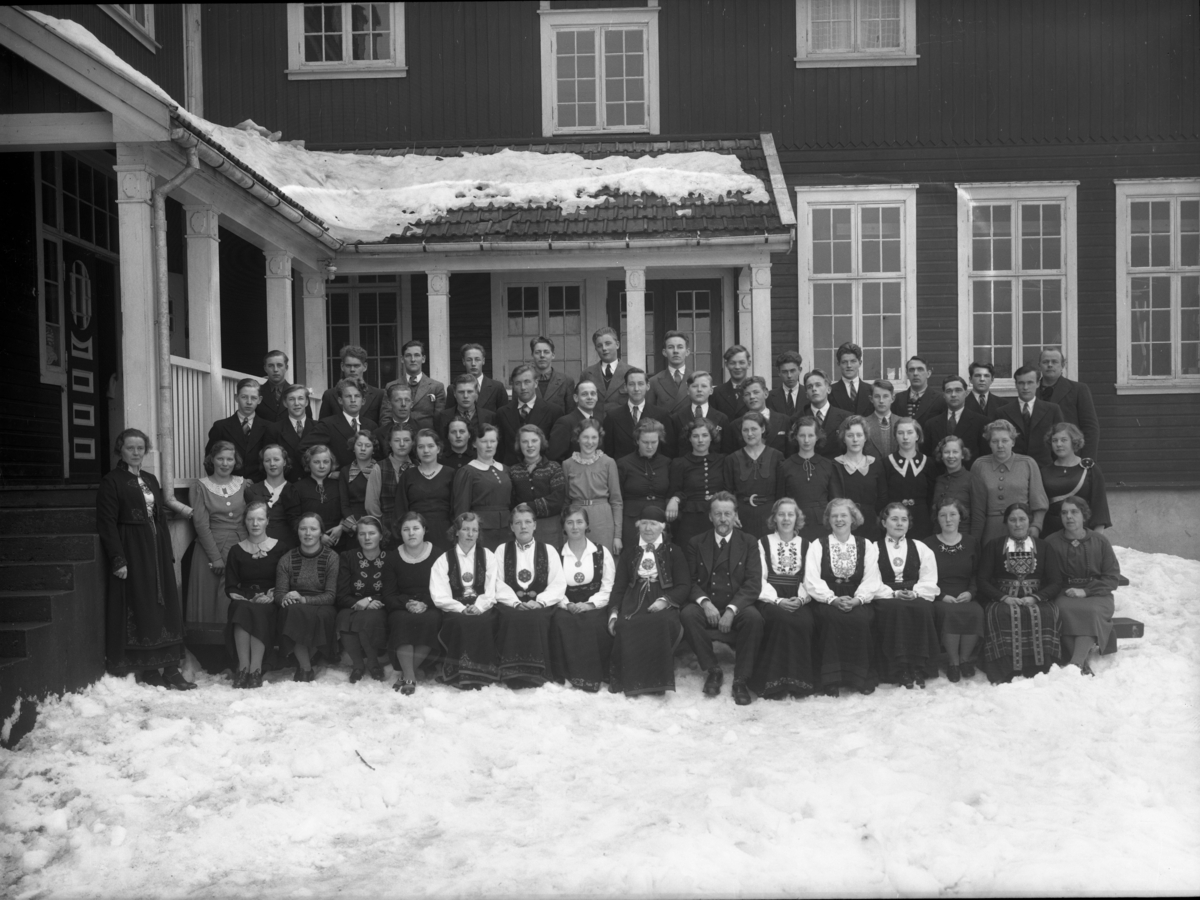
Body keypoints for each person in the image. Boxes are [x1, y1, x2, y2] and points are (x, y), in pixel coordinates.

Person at [97, 429, 194, 688]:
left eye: (141, 448)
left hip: (156, 549)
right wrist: (118, 558)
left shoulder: (151, 478)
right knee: (142, 605)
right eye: (131, 448)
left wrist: (167, 552)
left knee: (164, 605)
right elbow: (107, 523)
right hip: (132, 548)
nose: (137, 452)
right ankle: (149, 669)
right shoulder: (112, 481)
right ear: (121, 449)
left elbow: (159, 518)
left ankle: (171, 669)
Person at [681, 493, 764, 705]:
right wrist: (705, 603)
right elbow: (689, 581)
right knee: (688, 614)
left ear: (735, 515)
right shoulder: (696, 542)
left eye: (728, 513)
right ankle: (713, 670)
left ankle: (741, 679)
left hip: (737, 604)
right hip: (708, 603)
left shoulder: (749, 542)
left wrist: (732, 609)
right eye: (718, 514)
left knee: (754, 618)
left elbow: (753, 582)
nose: (723, 518)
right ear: (710, 516)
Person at [607, 506, 691, 696]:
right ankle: (630, 681)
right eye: (644, 523)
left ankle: (655, 682)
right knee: (627, 623)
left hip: (662, 597)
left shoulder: (674, 551)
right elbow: (619, 586)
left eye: (653, 524)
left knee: (659, 622)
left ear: (662, 527)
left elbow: (684, 585)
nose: (648, 528)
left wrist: (665, 601)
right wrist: (613, 612)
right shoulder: (630, 552)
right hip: (633, 598)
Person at [804, 498, 884, 696]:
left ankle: (860, 677)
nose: (839, 520)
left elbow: (872, 577)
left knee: (860, 618)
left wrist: (858, 599)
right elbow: (811, 579)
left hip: (857, 597)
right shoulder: (818, 545)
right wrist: (832, 599)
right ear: (828, 520)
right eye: (834, 516)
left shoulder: (866, 545)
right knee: (832, 619)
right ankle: (831, 679)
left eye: (843, 515)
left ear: (853, 518)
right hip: (827, 597)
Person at [978, 502, 1064, 684]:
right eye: (1013, 520)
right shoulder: (994, 546)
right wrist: (1004, 598)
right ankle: (1005, 669)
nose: (1017, 524)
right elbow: (982, 580)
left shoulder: (1043, 547)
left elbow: (1056, 581)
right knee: (1000, 613)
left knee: (1046, 612)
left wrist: (1035, 597)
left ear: (1029, 521)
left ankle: (1040, 667)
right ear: (1006, 522)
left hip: (1035, 597)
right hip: (1003, 598)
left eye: (1022, 519)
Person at [747, 498, 816, 699]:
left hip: (799, 595)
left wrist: (801, 600)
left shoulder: (807, 544)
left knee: (804, 621)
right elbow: (758, 578)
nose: (786, 519)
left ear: (797, 518)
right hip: (771, 597)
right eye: (781, 514)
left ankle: (798, 682)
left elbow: (810, 578)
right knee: (781, 620)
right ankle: (773, 683)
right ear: (774, 518)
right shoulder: (763, 543)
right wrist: (777, 601)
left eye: (791, 514)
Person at [492, 504, 568, 686]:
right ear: (511, 527)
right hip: (511, 605)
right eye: (518, 523)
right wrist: (515, 603)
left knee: (537, 617)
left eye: (527, 522)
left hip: (539, 606)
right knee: (512, 617)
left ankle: (538, 673)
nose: (523, 527)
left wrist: (540, 602)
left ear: (535, 525)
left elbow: (558, 583)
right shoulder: (502, 550)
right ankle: (511, 674)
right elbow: (496, 582)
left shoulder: (548, 550)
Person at [1046, 496, 1121, 676]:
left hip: (1098, 594)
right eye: (1064, 513)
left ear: (1084, 515)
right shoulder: (1051, 542)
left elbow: (1112, 577)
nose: (1069, 517)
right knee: (1061, 609)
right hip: (1065, 593)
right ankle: (1080, 663)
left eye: (1074, 512)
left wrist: (1086, 591)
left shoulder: (1099, 541)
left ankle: (1076, 663)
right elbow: (1047, 576)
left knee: (1092, 611)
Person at [871, 503, 940, 688]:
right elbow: (871, 580)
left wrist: (916, 592)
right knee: (896, 609)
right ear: (884, 522)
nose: (899, 523)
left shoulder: (920, 547)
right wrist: (893, 593)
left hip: (914, 592)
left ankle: (918, 666)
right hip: (886, 596)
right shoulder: (873, 548)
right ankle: (899, 668)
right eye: (894, 519)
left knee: (922, 607)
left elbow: (929, 578)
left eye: (904, 519)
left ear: (909, 523)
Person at [430, 512, 500, 689]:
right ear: (456, 532)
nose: (470, 534)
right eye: (465, 529)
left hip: (482, 607)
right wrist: (461, 608)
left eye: (474, 530)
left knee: (483, 621)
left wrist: (479, 607)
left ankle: (484, 674)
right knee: (462, 622)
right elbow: (439, 595)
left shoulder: (488, 556)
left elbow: (491, 588)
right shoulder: (444, 559)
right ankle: (459, 675)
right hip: (455, 610)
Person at [550, 507, 616, 692]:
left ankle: (594, 675)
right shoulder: (556, 554)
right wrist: (568, 604)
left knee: (593, 623)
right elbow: (553, 586)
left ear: (587, 525)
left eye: (579, 522)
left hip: (595, 605)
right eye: (569, 522)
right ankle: (569, 674)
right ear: (563, 526)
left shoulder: (602, 552)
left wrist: (588, 605)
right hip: (566, 605)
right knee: (562, 622)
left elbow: (608, 587)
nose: (575, 527)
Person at [224, 501, 287, 689]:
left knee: (259, 610)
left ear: (268, 521)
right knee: (241, 608)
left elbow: (286, 580)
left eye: (260, 519)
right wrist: (237, 594)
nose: (255, 523)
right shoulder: (236, 550)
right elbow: (231, 585)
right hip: (245, 597)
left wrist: (274, 594)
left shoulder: (280, 548)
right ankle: (243, 668)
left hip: (270, 598)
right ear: (245, 522)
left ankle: (255, 669)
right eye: (251, 519)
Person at [924, 498, 984, 682]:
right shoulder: (927, 544)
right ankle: (953, 662)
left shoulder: (971, 542)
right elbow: (925, 577)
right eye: (943, 515)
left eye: (953, 515)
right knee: (949, 613)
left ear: (961, 517)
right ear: (937, 519)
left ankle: (965, 660)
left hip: (965, 593)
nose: (948, 519)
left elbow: (976, 573)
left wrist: (971, 593)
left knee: (975, 611)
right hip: (941, 595)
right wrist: (941, 596)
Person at [275, 512, 340, 682]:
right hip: (296, 606)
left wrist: (304, 599)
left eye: (313, 528)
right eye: (303, 529)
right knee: (293, 612)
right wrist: (286, 598)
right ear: (297, 532)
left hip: (322, 605)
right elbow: (279, 593)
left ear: (321, 532)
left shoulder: (332, 558)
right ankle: (306, 668)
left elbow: (331, 596)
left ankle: (304, 664)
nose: (308, 533)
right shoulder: (286, 559)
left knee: (314, 615)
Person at [188, 440, 247, 624]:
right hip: (210, 549)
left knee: (234, 595)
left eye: (229, 459)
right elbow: (201, 524)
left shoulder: (243, 483)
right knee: (210, 597)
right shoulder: (200, 486)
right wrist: (215, 557)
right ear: (212, 459)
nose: (225, 463)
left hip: (239, 546)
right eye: (220, 458)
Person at [384, 512, 443, 694]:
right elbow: (389, 594)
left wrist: (425, 604)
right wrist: (407, 604)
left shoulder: (438, 555)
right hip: (401, 606)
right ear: (400, 533)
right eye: (406, 529)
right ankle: (410, 676)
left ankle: (405, 674)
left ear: (424, 530)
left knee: (430, 621)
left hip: (430, 604)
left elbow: (442, 590)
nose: (411, 533)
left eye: (416, 528)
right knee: (401, 621)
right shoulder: (393, 558)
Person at [970, 420, 1049, 545]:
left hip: (1022, 527)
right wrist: (975, 539)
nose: (1000, 445)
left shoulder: (1027, 463)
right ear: (989, 443)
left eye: (1005, 441)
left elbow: (1038, 501)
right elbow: (977, 507)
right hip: (991, 530)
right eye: (995, 441)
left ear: (1013, 442)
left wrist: (1036, 526)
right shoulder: (979, 465)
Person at [335, 515, 390, 683]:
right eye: (362, 534)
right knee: (344, 617)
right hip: (352, 604)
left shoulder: (390, 558)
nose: (367, 538)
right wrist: (360, 602)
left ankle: (373, 663)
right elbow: (342, 593)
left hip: (379, 606)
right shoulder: (348, 557)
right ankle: (357, 665)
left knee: (369, 618)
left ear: (381, 536)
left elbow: (391, 591)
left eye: (372, 533)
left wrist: (369, 600)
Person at [1040, 422, 1112, 538]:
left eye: (1064, 440)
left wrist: (1097, 538)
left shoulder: (1089, 469)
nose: (1058, 444)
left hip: (1082, 532)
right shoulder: (1044, 471)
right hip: (1051, 534)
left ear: (1074, 441)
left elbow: (1099, 505)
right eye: (1054, 440)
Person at [562, 418, 623, 554]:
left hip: (602, 518)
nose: (590, 442)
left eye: (594, 437)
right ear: (578, 438)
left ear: (599, 439)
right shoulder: (567, 464)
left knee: (602, 559)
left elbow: (616, 501)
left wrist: (617, 536)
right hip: (576, 517)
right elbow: (566, 500)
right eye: (585, 437)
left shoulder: (608, 462)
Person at [667, 418, 729, 550]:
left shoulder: (723, 460)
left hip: (717, 516)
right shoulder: (679, 463)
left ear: (711, 437)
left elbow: (729, 489)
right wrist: (674, 499)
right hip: (690, 518)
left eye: (705, 435)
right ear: (689, 439)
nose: (700, 440)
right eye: (695, 436)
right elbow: (676, 490)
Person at [723, 412, 784, 539]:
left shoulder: (777, 456)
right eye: (745, 430)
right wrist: (732, 514)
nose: (749, 434)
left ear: (762, 429)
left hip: (770, 516)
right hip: (742, 517)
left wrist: (779, 516)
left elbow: (781, 492)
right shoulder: (731, 459)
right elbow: (727, 492)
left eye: (754, 429)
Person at [452, 423, 512, 549]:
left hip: (507, 530)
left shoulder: (505, 469)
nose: (489, 445)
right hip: (481, 532)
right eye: (484, 441)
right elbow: (461, 508)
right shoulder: (468, 471)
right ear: (474, 443)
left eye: (493, 441)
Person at [776, 416, 837, 541]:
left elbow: (834, 500)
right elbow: (780, 500)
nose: (806, 440)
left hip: (823, 524)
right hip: (796, 522)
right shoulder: (785, 466)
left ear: (817, 437)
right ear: (795, 437)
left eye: (811, 435)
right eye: (802, 435)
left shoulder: (828, 465)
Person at [394, 429, 456, 552]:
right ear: (416, 451)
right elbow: (400, 509)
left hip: (445, 533)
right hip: (415, 533)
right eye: (421, 447)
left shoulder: (451, 474)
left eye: (430, 446)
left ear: (438, 448)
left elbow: (457, 506)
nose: (426, 451)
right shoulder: (408, 476)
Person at [616, 418, 673, 550]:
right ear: (637, 441)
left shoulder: (667, 463)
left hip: (660, 520)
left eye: (654, 442)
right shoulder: (623, 463)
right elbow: (617, 498)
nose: (649, 446)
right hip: (632, 521)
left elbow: (672, 490)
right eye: (645, 442)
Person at [509, 424, 567, 548]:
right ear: (519, 444)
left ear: (541, 442)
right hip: (523, 530)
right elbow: (512, 502)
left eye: (534, 440)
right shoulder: (513, 471)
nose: (530, 445)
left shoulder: (553, 467)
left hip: (550, 528)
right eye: (525, 441)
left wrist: (528, 506)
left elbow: (557, 500)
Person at [995, 365, 1065, 467]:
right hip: (1012, 469)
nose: (1025, 387)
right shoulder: (1002, 412)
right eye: (1021, 383)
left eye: (1030, 382)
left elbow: (1060, 440)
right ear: (1016, 384)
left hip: (1045, 469)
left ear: (1038, 383)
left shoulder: (1052, 410)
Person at [831, 416, 888, 540]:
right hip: (843, 522)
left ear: (865, 438)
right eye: (850, 435)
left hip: (871, 524)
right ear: (843, 439)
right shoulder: (834, 465)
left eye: (859, 435)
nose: (855, 440)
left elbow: (883, 497)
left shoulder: (876, 464)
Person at [1038, 346, 1100, 459]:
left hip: (1071, 459)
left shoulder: (1078, 389)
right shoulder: (1032, 391)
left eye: (1054, 362)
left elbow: (1090, 428)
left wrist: (1087, 460)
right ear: (1039, 366)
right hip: (1039, 460)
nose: (1050, 365)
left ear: (1062, 365)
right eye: (1045, 362)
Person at [304, 379, 379, 470]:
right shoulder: (327, 424)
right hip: (337, 481)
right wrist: (327, 472)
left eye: (357, 396)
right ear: (340, 400)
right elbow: (304, 449)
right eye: (348, 396)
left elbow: (377, 455)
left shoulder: (371, 425)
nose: (353, 400)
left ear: (363, 401)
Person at [497, 363, 563, 467]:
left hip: (542, 472)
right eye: (518, 383)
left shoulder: (554, 411)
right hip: (510, 472)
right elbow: (500, 449)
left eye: (527, 382)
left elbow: (556, 448)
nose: (523, 387)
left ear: (536, 383)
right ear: (513, 386)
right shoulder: (502, 413)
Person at [206, 378, 270, 482]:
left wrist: (257, 483)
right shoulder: (221, 427)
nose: (249, 402)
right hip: (227, 486)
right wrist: (225, 483)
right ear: (236, 398)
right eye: (244, 397)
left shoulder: (269, 428)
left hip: (258, 487)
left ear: (260, 400)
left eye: (253, 398)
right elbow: (209, 460)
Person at [602, 367, 673, 460]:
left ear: (647, 386)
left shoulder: (662, 415)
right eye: (631, 384)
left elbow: (668, 451)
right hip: (623, 471)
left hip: (653, 470)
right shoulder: (612, 417)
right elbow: (608, 453)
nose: (636, 389)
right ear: (625, 387)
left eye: (640, 384)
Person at [882, 417, 936, 539]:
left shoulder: (928, 463)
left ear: (917, 436)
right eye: (900, 433)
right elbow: (883, 497)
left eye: (910, 432)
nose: (905, 437)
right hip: (895, 519)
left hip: (922, 519)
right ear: (895, 436)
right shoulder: (886, 463)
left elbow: (931, 496)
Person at [243, 444, 301, 551]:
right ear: (263, 464)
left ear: (284, 462)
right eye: (267, 460)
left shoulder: (296, 490)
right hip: (257, 549)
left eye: (276, 459)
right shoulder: (251, 491)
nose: (272, 464)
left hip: (288, 549)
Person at [382, 339, 445, 432]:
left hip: (426, 439)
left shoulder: (436, 387)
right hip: (399, 438)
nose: (412, 359)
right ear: (402, 359)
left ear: (423, 359)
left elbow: (439, 420)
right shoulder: (391, 386)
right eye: (408, 355)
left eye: (416, 355)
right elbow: (385, 418)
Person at [924, 375, 989, 464]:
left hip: (969, 475)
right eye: (949, 391)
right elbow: (928, 457)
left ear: (966, 393)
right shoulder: (931, 424)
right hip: (938, 475)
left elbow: (984, 457)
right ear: (943, 395)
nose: (953, 395)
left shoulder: (981, 422)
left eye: (958, 390)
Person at [294, 444, 347, 551]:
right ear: (308, 463)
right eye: (316, 462)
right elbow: (294, 518)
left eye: (326, 462)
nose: (322, 466)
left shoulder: (340, 485)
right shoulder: (297, 488)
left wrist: (342, 527)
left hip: (339, 541)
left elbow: (348, 508)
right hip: (309, 542)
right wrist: (319, 536)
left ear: (331, 463)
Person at [365, 422, 415, 534]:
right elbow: (371, 505)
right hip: (387, 528)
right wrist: (381, 527)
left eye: (406, 440)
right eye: (397, 440)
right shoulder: (379, 468)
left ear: (412, 443)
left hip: (414, 528)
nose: (402, 444)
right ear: (390, 443)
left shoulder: (418, 466)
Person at [317, 344, 385, 423]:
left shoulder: (379, 394)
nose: (352, 370)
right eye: (348, 366)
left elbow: (382, 427)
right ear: (342, 366)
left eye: (356, 366)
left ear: (365, 367)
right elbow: (323, 426)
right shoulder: (330, 395)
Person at [337, 429, 380, 549]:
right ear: (353, 447)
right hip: (353, 524)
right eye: (359, 445)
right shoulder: (345, 471)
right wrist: (355, 526)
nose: (363, 449)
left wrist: (375, 524)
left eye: (367, 445)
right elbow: (344, 503)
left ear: (373, 449)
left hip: (375, 521)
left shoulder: (380, 469)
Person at [670, 371, 729, 456]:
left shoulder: (722, 418)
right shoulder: (676, 417)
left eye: (704, 386)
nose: (699, 390)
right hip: (686, 466)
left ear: (711, 390)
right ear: (688, 391)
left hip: (714, 466)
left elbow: (726, 450)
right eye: (694, 386)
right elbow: (673, 449)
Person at [725, 377, 789, 454]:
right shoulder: (735, 425)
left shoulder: (784, 420)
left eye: (756, 392)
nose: (752, 397)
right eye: (747, 394)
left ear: (766, 393)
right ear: (743, 399)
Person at [549, 376, 605, 462]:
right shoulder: (565, 423)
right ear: (575, 398)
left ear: (597, 397)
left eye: (593, 394)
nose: (590, 397)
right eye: (584, 394)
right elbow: (555, 458)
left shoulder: (598, 422)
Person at [267, 383, 316, 482]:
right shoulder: (274, 429)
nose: (296, 403)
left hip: (313, 484)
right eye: (291, 399)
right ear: (285, 403)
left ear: (307, 402)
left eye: (301, 398)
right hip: (285, 485)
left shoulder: (319, 427)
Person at [801, 369, 850, 458]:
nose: (814, 389)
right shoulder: (797, 418)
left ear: (828, 389)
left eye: (818, 385)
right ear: (806, 394)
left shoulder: (845, 418)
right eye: (809, 387)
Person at [580, 325, 631, 411]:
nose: (604, 348)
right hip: (595, 423)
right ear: (596, 349)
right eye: (599, 346)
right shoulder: (587, 374)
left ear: (617, 345)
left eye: (608, 344)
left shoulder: (631, 372)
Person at [435, 373, 497, 443]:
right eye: (461, 392)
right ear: (455, 394)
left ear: (476, 393)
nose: (465, 396)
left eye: (470, 392)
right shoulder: (442, 417)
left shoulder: (490, 417)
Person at [891, 356, 947, 425]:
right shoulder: (897, 399)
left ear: (928, 374)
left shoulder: (940, 399)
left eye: (920, 369)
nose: (915, 373)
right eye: (911, 370)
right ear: (907, 374)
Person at [647, 330, 693, 413]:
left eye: (680, 347)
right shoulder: (654, 381)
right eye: (671, 347)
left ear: (687, 352)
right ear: (664, 352)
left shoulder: (697, 379)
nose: (675, 351)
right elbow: (650, 412)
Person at [932, 436, 973, 531]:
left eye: (955, 452)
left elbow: (978, 516)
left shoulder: (972, 479)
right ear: (941, 456)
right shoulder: (939, 480)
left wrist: (973, 541)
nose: (951, 456)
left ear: (962, 455)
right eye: (946, 452)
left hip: (964, 537)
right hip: (939, 536)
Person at [530, 335, 575, 413]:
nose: (542, 355)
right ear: (532, 355)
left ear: (553, 355)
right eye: (537, 352)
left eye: (546, 352)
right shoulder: (524, 381)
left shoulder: (567, 381)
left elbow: (571, 413)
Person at [460, 342, 508, 413]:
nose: (473, 364)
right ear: (463, 361)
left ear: (483, 361)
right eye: (469, 360)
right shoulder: (453, 388)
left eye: (477, 359)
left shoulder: (497, 387)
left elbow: (504, 415)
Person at [829, 341, 874, 416]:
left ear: (860, 363)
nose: (849, 365)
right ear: (838, 364)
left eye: (853, 361)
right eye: (844, 362)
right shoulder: (830, 392)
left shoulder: (871, 390)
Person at [710, 344, 751, 420]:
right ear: (726, 365)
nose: (737, 367)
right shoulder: (716, 393)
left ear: (748, 364)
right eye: (732, 363)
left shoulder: (756, 391)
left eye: (741, 362)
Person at [373, 383, 416, 448]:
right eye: (398, 400)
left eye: (407, 400)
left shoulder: (421, 431)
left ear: (412, 404)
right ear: (389, 404)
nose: (403, 404)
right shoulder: (378, 434)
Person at [257, 350, 293, 423]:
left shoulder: (297, 393)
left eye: (279, 365)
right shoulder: (257, 393)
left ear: (286, 367)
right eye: (271, 366)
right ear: (265, 368)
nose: (275, 370)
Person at [862, 380, 896, 459]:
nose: (881, 401)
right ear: (871, 399)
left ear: (893, 398)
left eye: (885, 396)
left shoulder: (903, 423)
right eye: (877, 396)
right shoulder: (863, 424)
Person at [766, 350, 804, 417]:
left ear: (799, 370)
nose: (789, 376)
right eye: (784, 372)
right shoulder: (770, 397)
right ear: (779, 373)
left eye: (792, 371)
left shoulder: (808, 393)